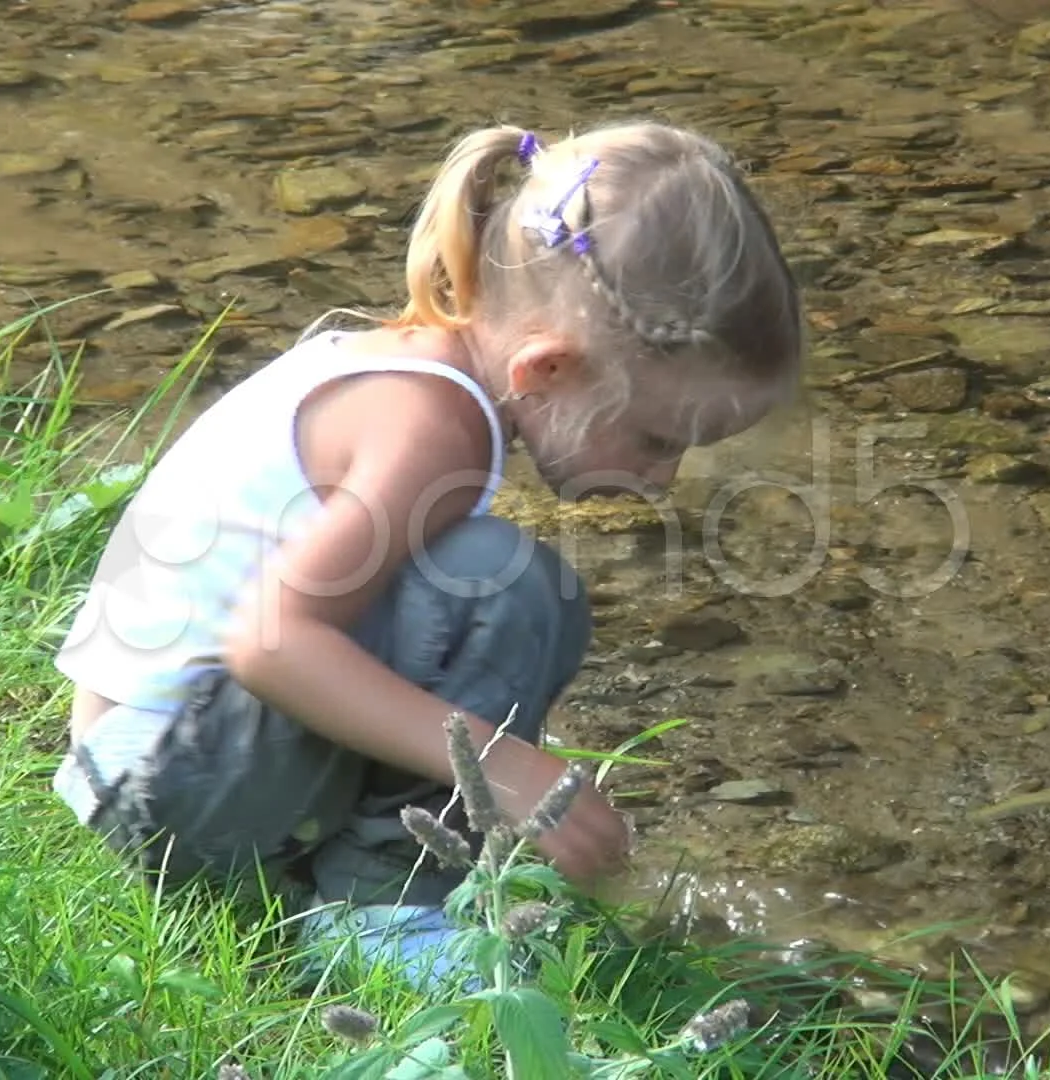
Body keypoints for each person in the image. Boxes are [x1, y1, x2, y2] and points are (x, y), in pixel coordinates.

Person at [48, 120, 806, 991]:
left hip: (165, 759)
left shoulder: (405, 368)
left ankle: (362, 877)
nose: (663, 477)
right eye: (658, 436)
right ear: (547, 370)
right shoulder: (432, 429)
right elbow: (270, 642)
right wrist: (506, 766)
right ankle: (376, 910)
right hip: (163, 791)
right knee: (512, 585)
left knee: (487, 585)